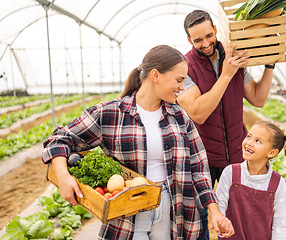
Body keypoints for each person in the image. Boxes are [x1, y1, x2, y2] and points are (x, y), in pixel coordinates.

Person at [41, 45, 234, 240]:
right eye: (179, 80)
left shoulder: (179, 116)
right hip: (127, 210)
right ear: (155, 76)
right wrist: (63, 176)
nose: (182, 87)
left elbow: (198, 167)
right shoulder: (110, 113)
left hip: (171, 208)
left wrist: (214, 210)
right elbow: (59, 139)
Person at [177, 10, 275, 239]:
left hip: (237, 155)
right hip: (202, 158)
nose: (206, 43)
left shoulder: (234, 56)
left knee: (240, 217)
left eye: (209, 35)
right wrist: (226, 75)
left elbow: (258, 99)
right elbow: (198, 113)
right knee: (199, 218)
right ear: (189, 40)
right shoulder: (184, 67)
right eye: (198, 39)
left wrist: (269, 66)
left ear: (216, 30)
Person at [216, 121, 286, 239]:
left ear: (272, 153)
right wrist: (222, 225)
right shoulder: (230, 173)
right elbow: (220, 207)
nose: (249, 143)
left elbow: (279, 225)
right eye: (249, 136)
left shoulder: (278, 183)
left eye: (258, 141)